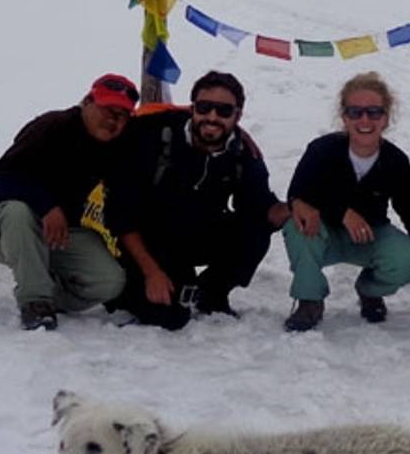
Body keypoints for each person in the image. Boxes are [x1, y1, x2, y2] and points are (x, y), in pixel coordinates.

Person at [106, 70, 290, 330]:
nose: (212, 117)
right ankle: (129, 291)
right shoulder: (154, 134)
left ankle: (212, 294)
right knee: (170, 317)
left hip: (197, 233)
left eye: (224, 111)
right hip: (146, 242)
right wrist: (151, 272)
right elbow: (121, 214)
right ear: (193, 108)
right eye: (205, 107)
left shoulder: (242, 152)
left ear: (237, 116)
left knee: (254, 229)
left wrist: (296, 207)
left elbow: (261, 208)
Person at [0, 74, 139, 330]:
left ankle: (49, 292)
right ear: (88, 102)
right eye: (107, 109)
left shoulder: (116, 148)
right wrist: (47, 206)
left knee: (110, 281)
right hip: (4, 225)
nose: (113, 119)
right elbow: (1, 175)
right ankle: (35, 302)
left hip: (61, 233)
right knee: (19, 213)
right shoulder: (52, 125)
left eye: (122, 114)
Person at [281, 73, 410, 331]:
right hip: (323, 234)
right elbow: (298, 193)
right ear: (344, 117)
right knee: (297, 226)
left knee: (407, 260)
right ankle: (309, 300)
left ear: (386, 118)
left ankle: (369, 290)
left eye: (374, 112)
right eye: (355, 112)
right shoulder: (322, 150)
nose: (364, 120)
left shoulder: (394, 161)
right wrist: (341, 212)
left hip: (369, 234)